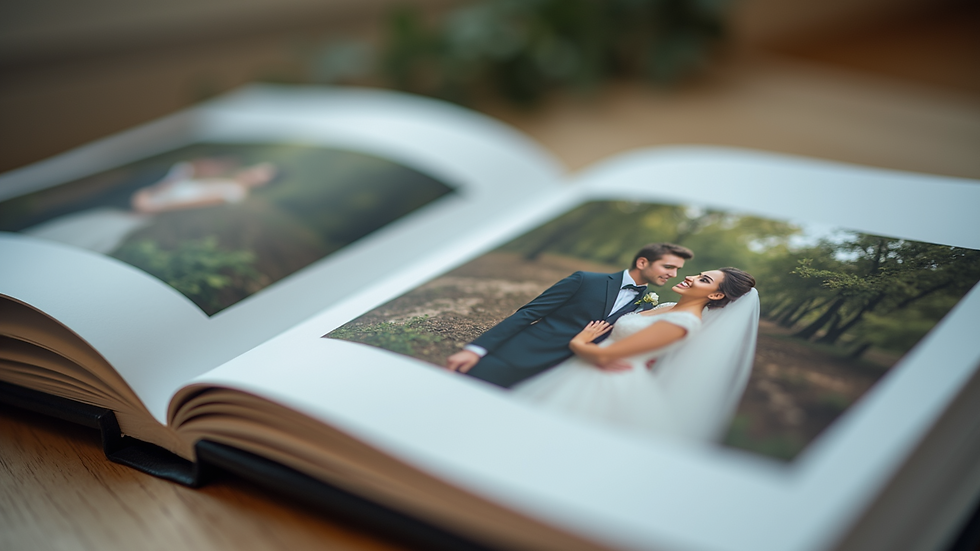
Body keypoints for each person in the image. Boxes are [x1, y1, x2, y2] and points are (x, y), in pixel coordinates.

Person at [512, 267, 759, 443]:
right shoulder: (666, 308)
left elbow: (604, 358)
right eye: (699, 273)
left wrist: (579, 340)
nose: (690, 277)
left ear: (715, 295)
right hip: (582, 368)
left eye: (703, 280)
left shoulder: (683, 322)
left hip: (605, 380)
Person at [445, 243, 694, 388]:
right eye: (668, 267)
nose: (673, 274)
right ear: (642, 263)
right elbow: (528, 313)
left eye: (677, 270)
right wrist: (476, 350)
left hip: (558, 377)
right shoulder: (585, 280)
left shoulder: (647, 303)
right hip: (513, 358)